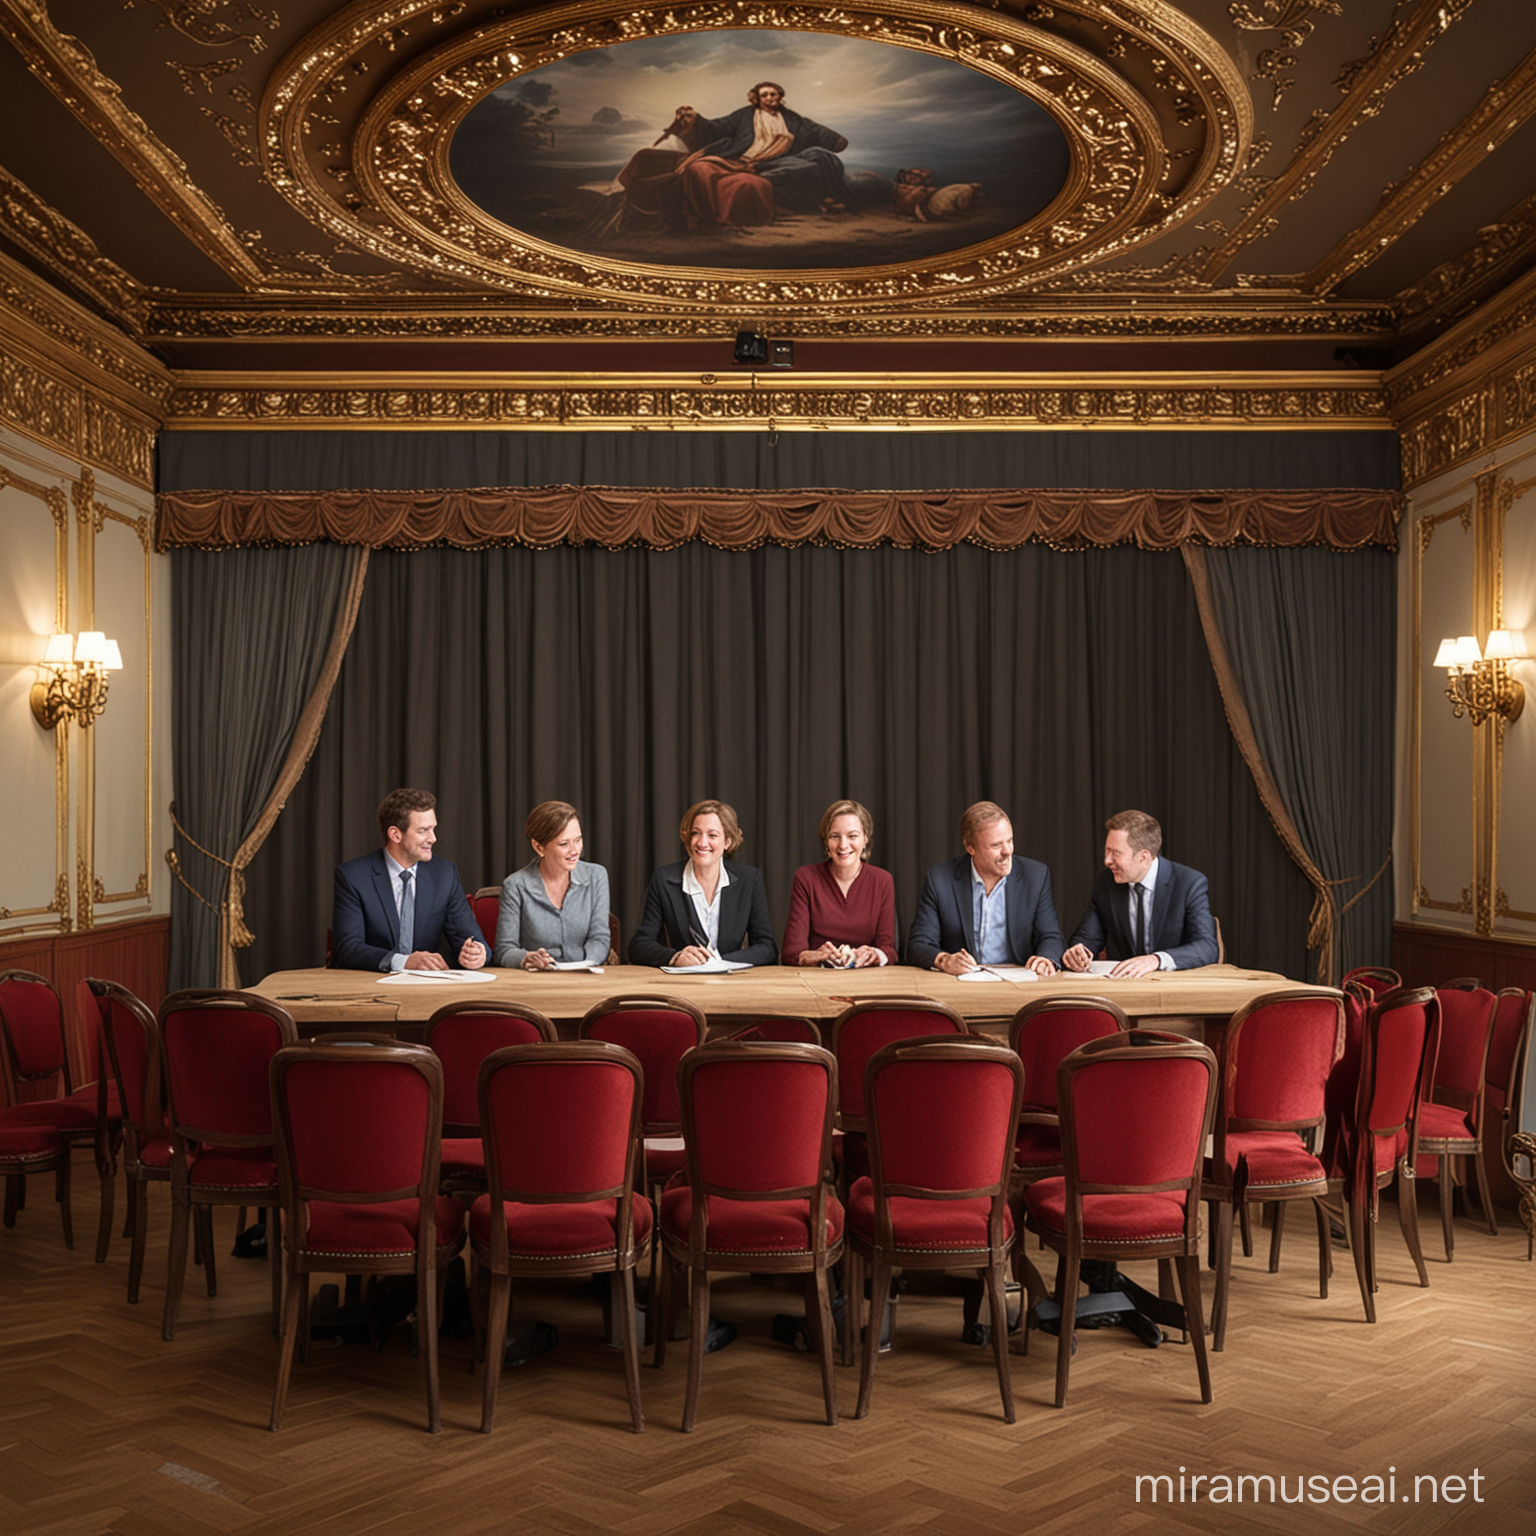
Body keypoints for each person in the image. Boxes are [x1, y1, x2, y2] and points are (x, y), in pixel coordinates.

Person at [332, 788, 487, 972]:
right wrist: (403, 962)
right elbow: (347, 949)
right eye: (423, 831)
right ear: (395, 835)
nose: (433, 838)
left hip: (428, 986)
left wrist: (476, 953)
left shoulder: (445, 874)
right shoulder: (353, 876)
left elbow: (469, 937)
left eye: (433, 829)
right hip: (370, 985)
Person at [905, 801, 1063, 975]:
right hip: (961, 984)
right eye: (996, 845)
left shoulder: (1035, 876)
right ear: (970, 847)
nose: (1007, 851)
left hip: (1019, 979)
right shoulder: (940, 878)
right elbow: (918, 944)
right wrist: (944, 960)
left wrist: (1045, 958)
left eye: (1009, 841)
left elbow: (1051, 936)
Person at [1061, 809, 1219, 976]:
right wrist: (1078, 952)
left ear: (1143, 857)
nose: (1107, 861)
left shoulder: (1188, 883)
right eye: (1107, 851)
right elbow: (1088, 938)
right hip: (1122, 988)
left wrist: (1156, 960)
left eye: (1116, 853)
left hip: (1173, 986)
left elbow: (1206, 947)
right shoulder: (1106, 883)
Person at [629, 799, 778, 967]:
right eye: (695, 833)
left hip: (733, 983)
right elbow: (639, 946)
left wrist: (719, 963)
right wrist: (676, 957)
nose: (701, 843)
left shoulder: (750, 880)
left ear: (727, 842)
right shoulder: (664, 879)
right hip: (683, 983)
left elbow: (767, 947)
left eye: (712, 835)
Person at [494, 800, 611, 970]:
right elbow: (504, 950)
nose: (575, 850)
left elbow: (599, 937)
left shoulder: (597, 876)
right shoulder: (515, 885)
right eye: (564, 844)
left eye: (578, 840)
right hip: (536, 981)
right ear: (538, 847)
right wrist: (527, 958)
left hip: (585, 976)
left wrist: (587, 964)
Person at [781, 799, 897, 967]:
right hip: (816, 978)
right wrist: (816, 956)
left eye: (852, 836)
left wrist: (874, 954)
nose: (843, 845)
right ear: (826, 841)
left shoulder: (882, 880)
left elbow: (889, 950)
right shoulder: (806, 878)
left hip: (867, 978)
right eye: (835, 836)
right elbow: (791, 953)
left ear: (865, 839)